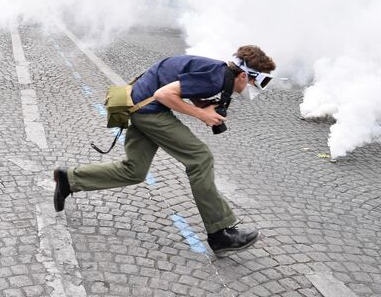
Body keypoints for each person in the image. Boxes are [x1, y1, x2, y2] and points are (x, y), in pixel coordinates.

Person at [53, 45, 277, 256]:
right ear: (244, 76)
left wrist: (200, 104)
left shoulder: (217, 70)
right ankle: (219, 234)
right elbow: (163, 95)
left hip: (137, 104)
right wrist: (202, 114)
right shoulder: (216, 77)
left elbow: (182, 83)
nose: (253, 90)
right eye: (257, 83)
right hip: (149, 110)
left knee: (135, 170)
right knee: (200, 158)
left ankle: (69, 179)